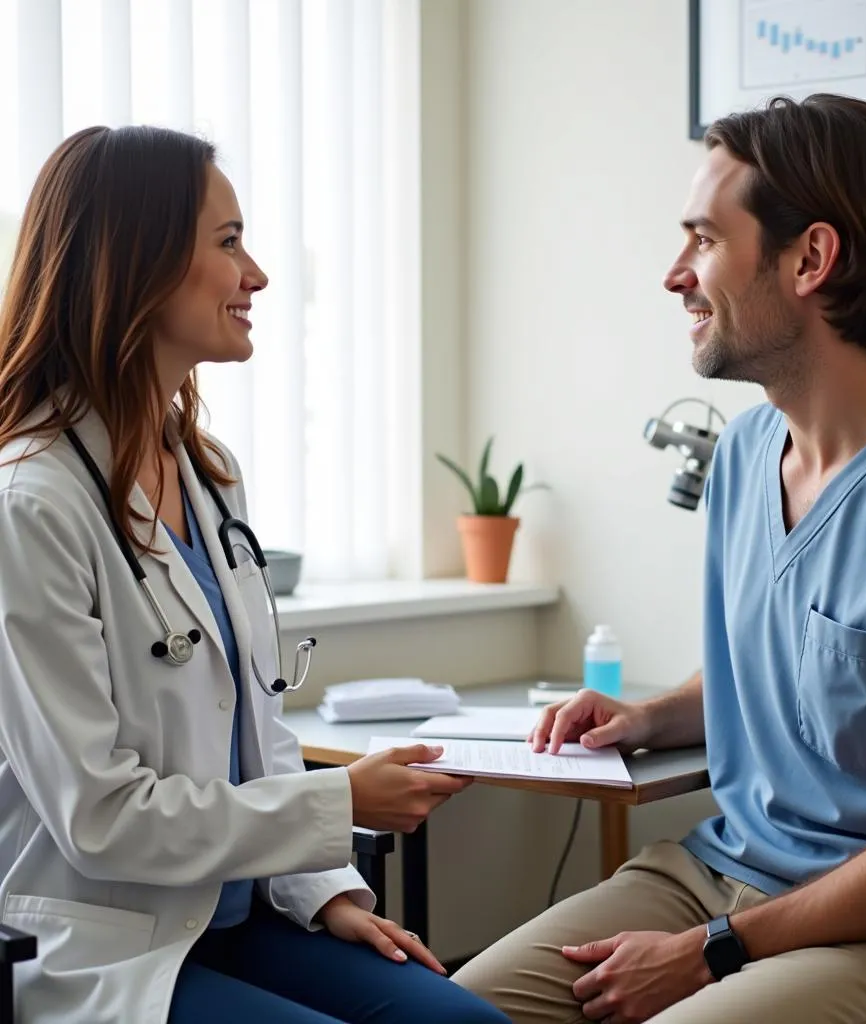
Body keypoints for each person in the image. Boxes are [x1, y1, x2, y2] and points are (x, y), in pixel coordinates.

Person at [453, 93, 866, 1024]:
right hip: (716, 873)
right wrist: (650, 716)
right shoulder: (749, 454)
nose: (675, 275)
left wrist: (712, 955)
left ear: (811, 257)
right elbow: (797, 673)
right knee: (444, 1013)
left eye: (704, 241)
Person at [0, 125, 511, 1024]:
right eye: (228, 243)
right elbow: (101, 818)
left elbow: (258, 730)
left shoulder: (207, 472)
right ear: (136, 263)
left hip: (239, 912)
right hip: (110, 942)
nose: (258, 275)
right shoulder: (31, 506)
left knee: (465, 1020)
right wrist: (343, 798)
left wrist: (330, 890)